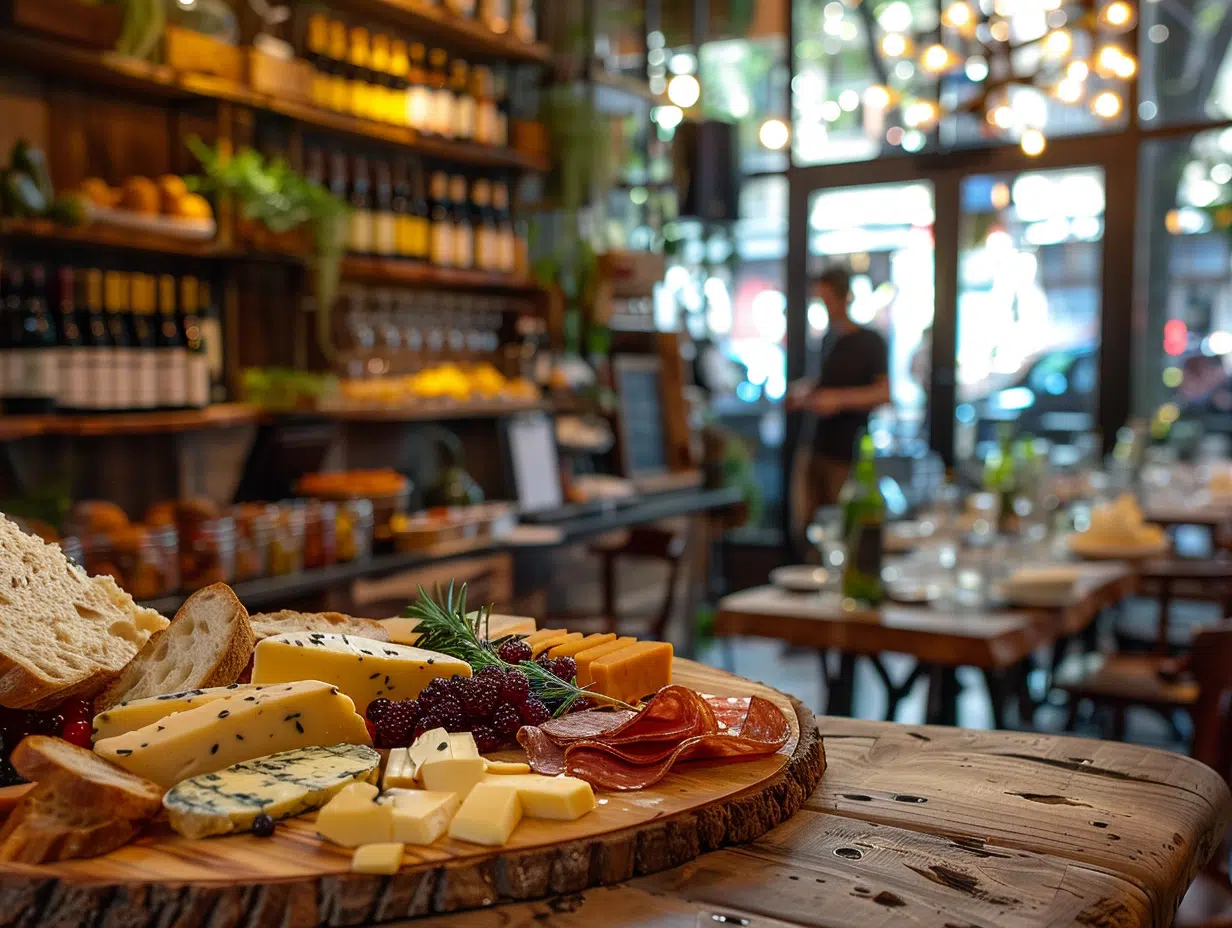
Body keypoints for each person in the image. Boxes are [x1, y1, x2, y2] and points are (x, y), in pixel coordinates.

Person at [786, 266, 890, 557]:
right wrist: (805, 393)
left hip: (847, 450)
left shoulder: (870, 341)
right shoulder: (828, 339)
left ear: (845, 297)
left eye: (827, 298)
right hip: (815, 443)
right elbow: (824, 384)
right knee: (806, 526)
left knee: (846, 527)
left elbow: (883, 393)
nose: (824, 305)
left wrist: (838, 400)